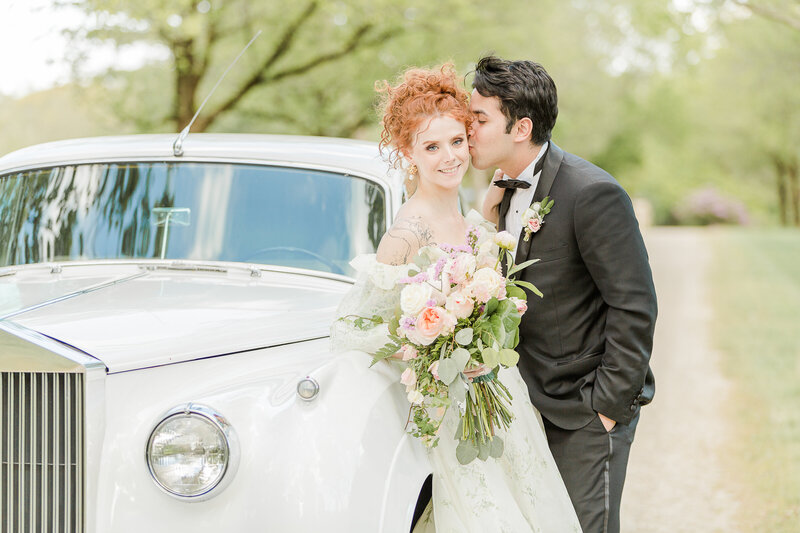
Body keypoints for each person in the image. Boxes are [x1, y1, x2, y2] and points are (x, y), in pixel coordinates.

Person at [331, 64, 582, 532]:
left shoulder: (476, 218)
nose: (448, 157)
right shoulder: (407, 233)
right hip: (451, 412)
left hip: (502, 395)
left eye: (456, 141)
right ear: (409, 154)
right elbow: (351, 328)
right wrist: (429, 346)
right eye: (431, 146)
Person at [469, 55, 658, 533]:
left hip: (583, 413)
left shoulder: (592, 193)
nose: (469, 129)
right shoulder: (500, 194)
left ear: (521, 126)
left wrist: (606, 410)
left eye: (479, 118)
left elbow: (634, 306)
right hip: (524, 409)